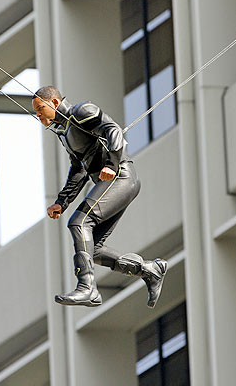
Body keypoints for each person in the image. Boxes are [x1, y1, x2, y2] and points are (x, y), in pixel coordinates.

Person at [32, 86, 168, 308]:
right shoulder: (65, 133)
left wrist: (111, 164)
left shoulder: (81, 111)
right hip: (113, 182)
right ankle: (150, 270)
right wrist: (61, 202)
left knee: (79, 223)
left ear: (54, 103)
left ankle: (87, 288)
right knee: (92, 248)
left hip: (121, 177)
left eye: (39, 109)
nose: (38, 115)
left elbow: (113, 129)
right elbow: (79, 169)